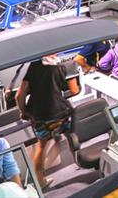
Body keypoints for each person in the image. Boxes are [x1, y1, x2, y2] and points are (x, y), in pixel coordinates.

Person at [16, 55, 79, 189]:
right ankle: (79, 161)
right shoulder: (62, 65)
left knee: (41, 146)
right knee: (71, 136)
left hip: (40, 115)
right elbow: (74, 90)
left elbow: (19, 96)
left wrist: (24, 111)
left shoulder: (33, 67)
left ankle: (40, 181)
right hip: (61, 112)